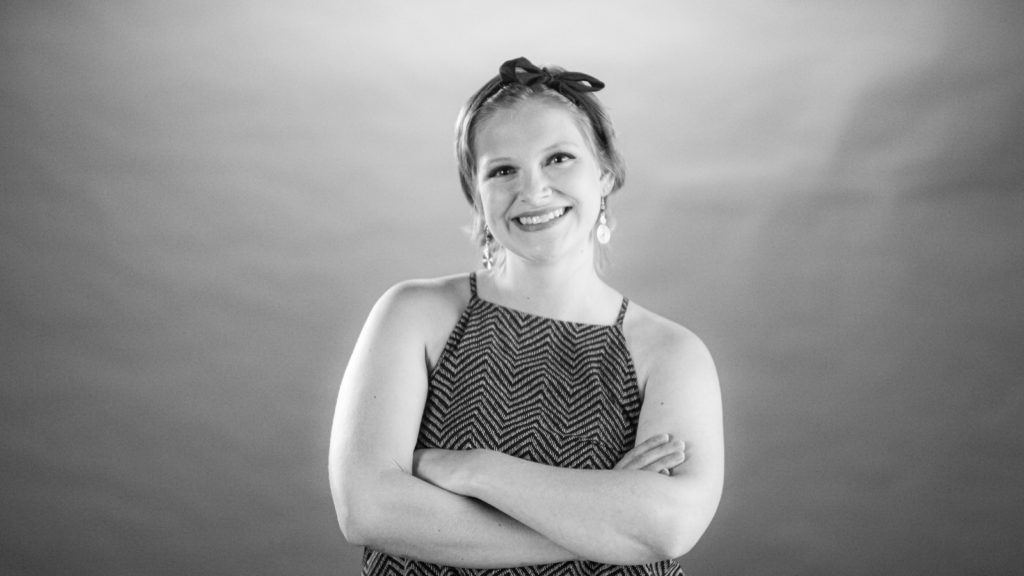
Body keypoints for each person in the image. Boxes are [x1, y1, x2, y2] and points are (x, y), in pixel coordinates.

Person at [329, 56, 723, 575]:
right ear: (478, 196)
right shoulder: (414, 316)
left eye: (558, 158)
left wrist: (473, 470)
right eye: (503, 170)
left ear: (604, 174)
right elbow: (368, 509)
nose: (533, 190)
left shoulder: (672, 353)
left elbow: (667, 527)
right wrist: (605, 522)